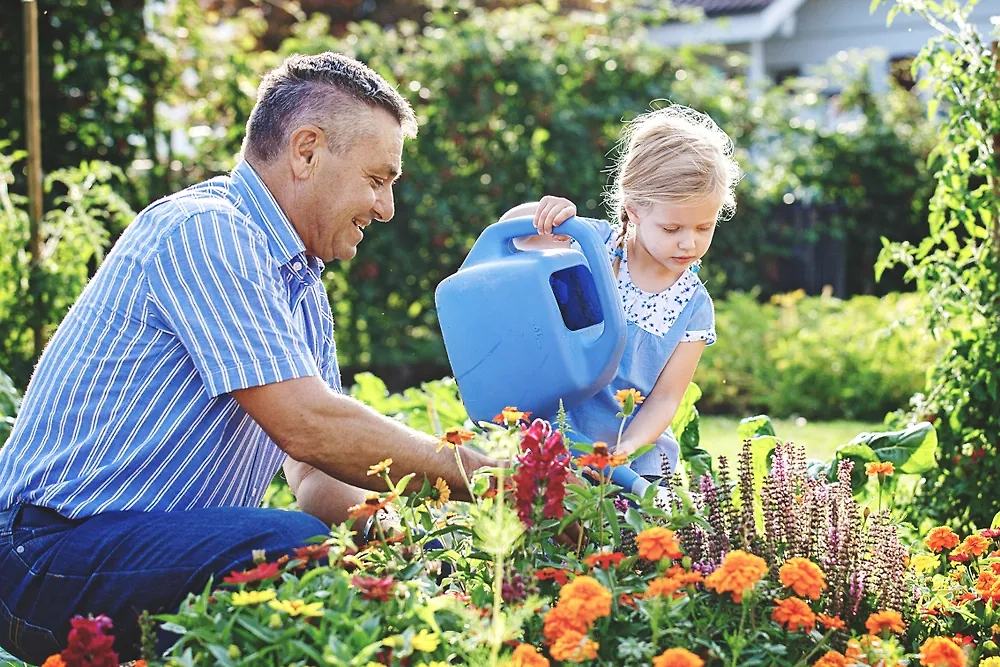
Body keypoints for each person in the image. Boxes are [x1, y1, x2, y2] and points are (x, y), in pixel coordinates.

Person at [0, 52, 499, 664]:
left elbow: (315, 477)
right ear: (307, 150)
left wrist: (406, 546)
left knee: (319, 553)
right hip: (43, 555)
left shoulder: (301, 286)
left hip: (116, 552)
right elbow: (307, 425)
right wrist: (481, 476)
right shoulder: (207, 230)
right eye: (377, 179)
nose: (387, 208)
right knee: (289, 547)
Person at [500, 104, 741, 480]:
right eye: (672, 228)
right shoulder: (590, 245)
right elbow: (511, 240)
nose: (688, 243)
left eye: (703, 227)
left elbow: (665, 398)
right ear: (634, 210)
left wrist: (625, 451)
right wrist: (544, 212)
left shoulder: (693, 307)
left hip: (637, 466)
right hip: (558, 447)